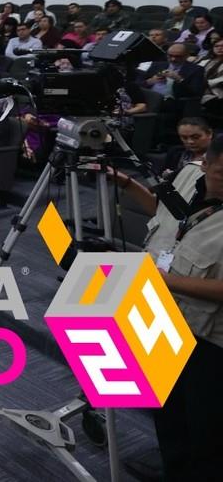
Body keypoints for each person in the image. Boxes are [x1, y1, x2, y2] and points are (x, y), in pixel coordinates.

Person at [107, 132, 223, 480]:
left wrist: (163, 280)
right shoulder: (189, 175)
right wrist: (125, 183)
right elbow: (164, 213)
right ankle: (173, 468)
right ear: (207, 163)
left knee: (207, 428)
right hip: (161, 315)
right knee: (167, 409)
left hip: (208, 338)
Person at [202, 37, 223, 125]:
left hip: (218, 95)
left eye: (222, 46)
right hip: (201, 91)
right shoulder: (205, 61)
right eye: (216, 46)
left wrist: (204, 83)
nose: (219, 48)